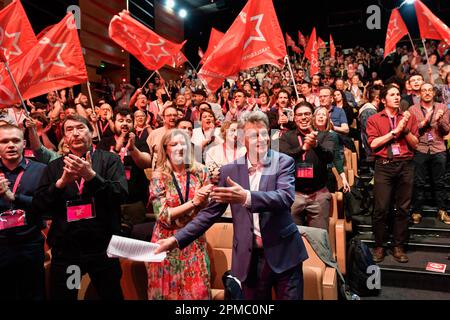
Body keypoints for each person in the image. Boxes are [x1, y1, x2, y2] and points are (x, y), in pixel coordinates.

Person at [155, 111, 308, 300]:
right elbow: (209, 214)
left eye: (264, 133)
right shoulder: (229, 171)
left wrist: (246, 197)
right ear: (243, 138)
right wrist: (175, 240)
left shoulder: (283, 162)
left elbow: (285, 197)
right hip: (249, 259)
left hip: (284, 253)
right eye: (253, 135)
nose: (260, 139)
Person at [33, 115, 128, 300]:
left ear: (91, 132)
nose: (75, 133)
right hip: (70, 253)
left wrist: (91, 176)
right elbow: (39, 205)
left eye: (80, 128)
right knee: (68, 295)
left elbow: (120, 196)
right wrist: (60, 183)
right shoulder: (54, 167)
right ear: (64, 138)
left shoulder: (109, 160)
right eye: (69, 129)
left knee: (110, 295)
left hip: (102, 250)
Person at [147, 129, 213, 300]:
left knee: (198, 294)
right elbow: (163, 216)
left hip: (193, 238)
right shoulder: (159, 176)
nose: (179, 148)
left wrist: (205, 201)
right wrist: (194, 202)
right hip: (166, 242)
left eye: (183, 143)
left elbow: (209, 209)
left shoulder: (201, 172)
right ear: (165, 149)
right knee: (168, 294)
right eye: (174, 144)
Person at [366, 84, 419, 263]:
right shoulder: (374, 119)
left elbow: (415, 144)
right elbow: (373, 144)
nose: (397, 97)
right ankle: (380, 245)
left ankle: (398, 245)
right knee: (381, 208)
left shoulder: (408, 117)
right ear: (383, 99)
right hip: (384, 165)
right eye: (392, 95)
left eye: (398, 94)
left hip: (405, 165)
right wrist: (394, 132)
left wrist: (405, 129)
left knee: (403, 208)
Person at [0, 124, 47, 300]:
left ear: (24, 143)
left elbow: (45, 206)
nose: (11, 145)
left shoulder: (41, 170)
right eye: (4, 141)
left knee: (34, 294)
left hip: (30, 244)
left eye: (15, 140)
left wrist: (14, 197)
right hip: (1, 246)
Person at [278, 102, 335, 230]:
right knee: (292, 239)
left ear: (313, 116)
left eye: (307, 114)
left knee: (318, 239)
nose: (303, 117)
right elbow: (281, 158)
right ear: (294, 118)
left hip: (318, 195)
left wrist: (316, 145)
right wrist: (302, 148)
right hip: (293, 194)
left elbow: (329, 157)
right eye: (299, 114)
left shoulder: (325, 135)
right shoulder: (286, 136)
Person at [408, 83, 450, 224]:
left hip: (438, 148)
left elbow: (446, 130)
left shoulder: (442, 107)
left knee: (440, 182)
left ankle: (442, 211)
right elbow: (411, 130)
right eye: (424, 90)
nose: (427, 92)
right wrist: (425, 122)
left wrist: (439, 121)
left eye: (429, 90)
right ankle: (417, 211)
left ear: (433, 93)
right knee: (419, 182)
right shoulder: (413, 109)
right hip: (420, 148)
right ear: (420, 93)